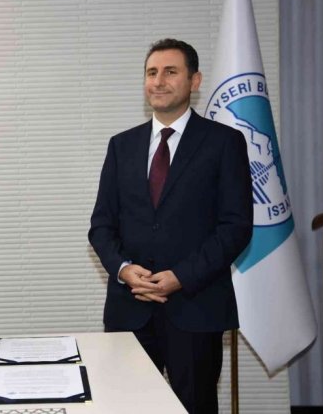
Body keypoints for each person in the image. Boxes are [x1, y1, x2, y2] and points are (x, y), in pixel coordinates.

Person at [88, 39, 253, 413]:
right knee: (128, 408)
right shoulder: (121, 146)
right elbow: (101, 226)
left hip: (196, 308)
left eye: (170, 71)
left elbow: (236, 226)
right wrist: (124, 269)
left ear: (195, 81)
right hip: (130, 309)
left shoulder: (224, 143)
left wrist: (181, 276)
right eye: (151, 72)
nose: (158, 81)